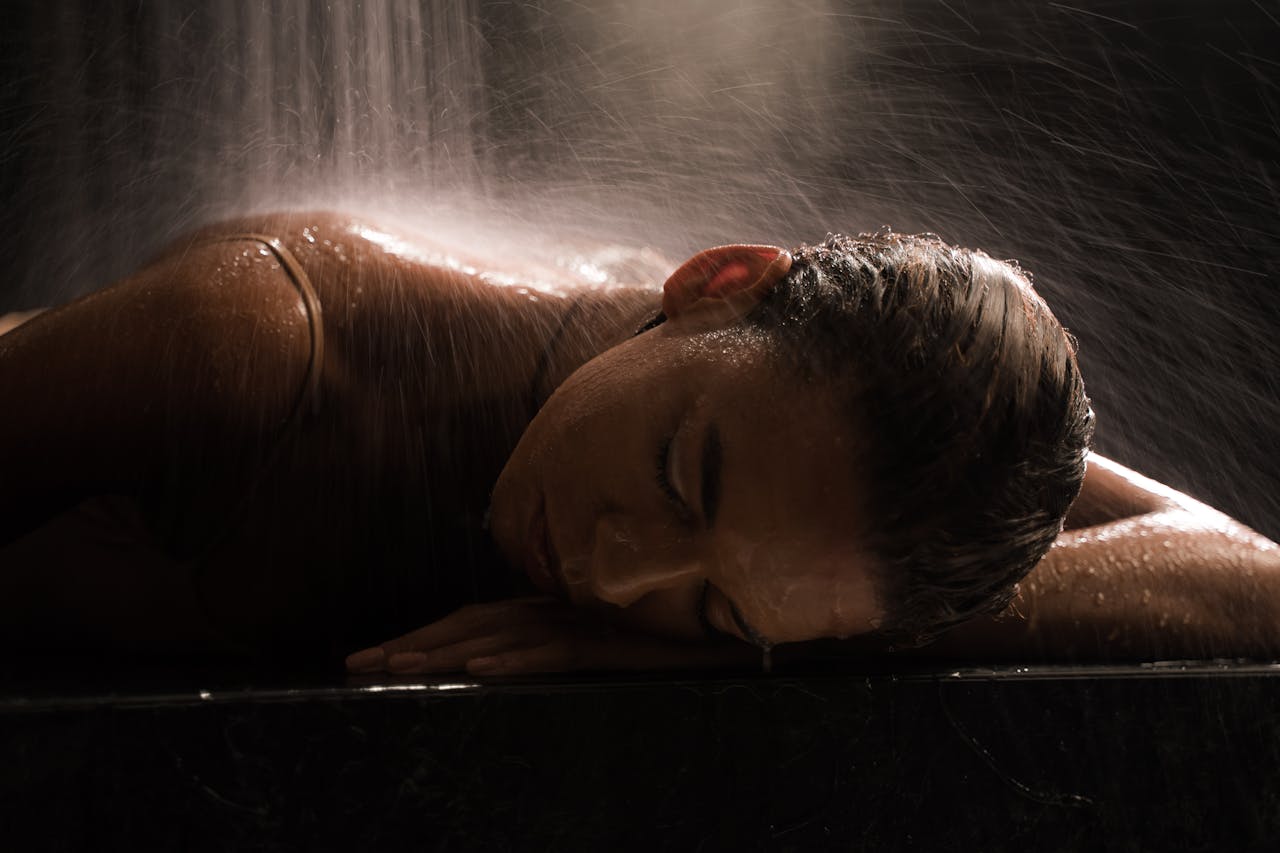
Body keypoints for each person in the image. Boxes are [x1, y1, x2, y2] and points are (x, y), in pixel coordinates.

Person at [1, 211, 1276, 675]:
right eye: (680, 473)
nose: (615, 573)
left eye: (712, 610)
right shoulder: (266, 346)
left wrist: (766, 633)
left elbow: (1246, 575)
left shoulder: (793, 474)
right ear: (712, 280)